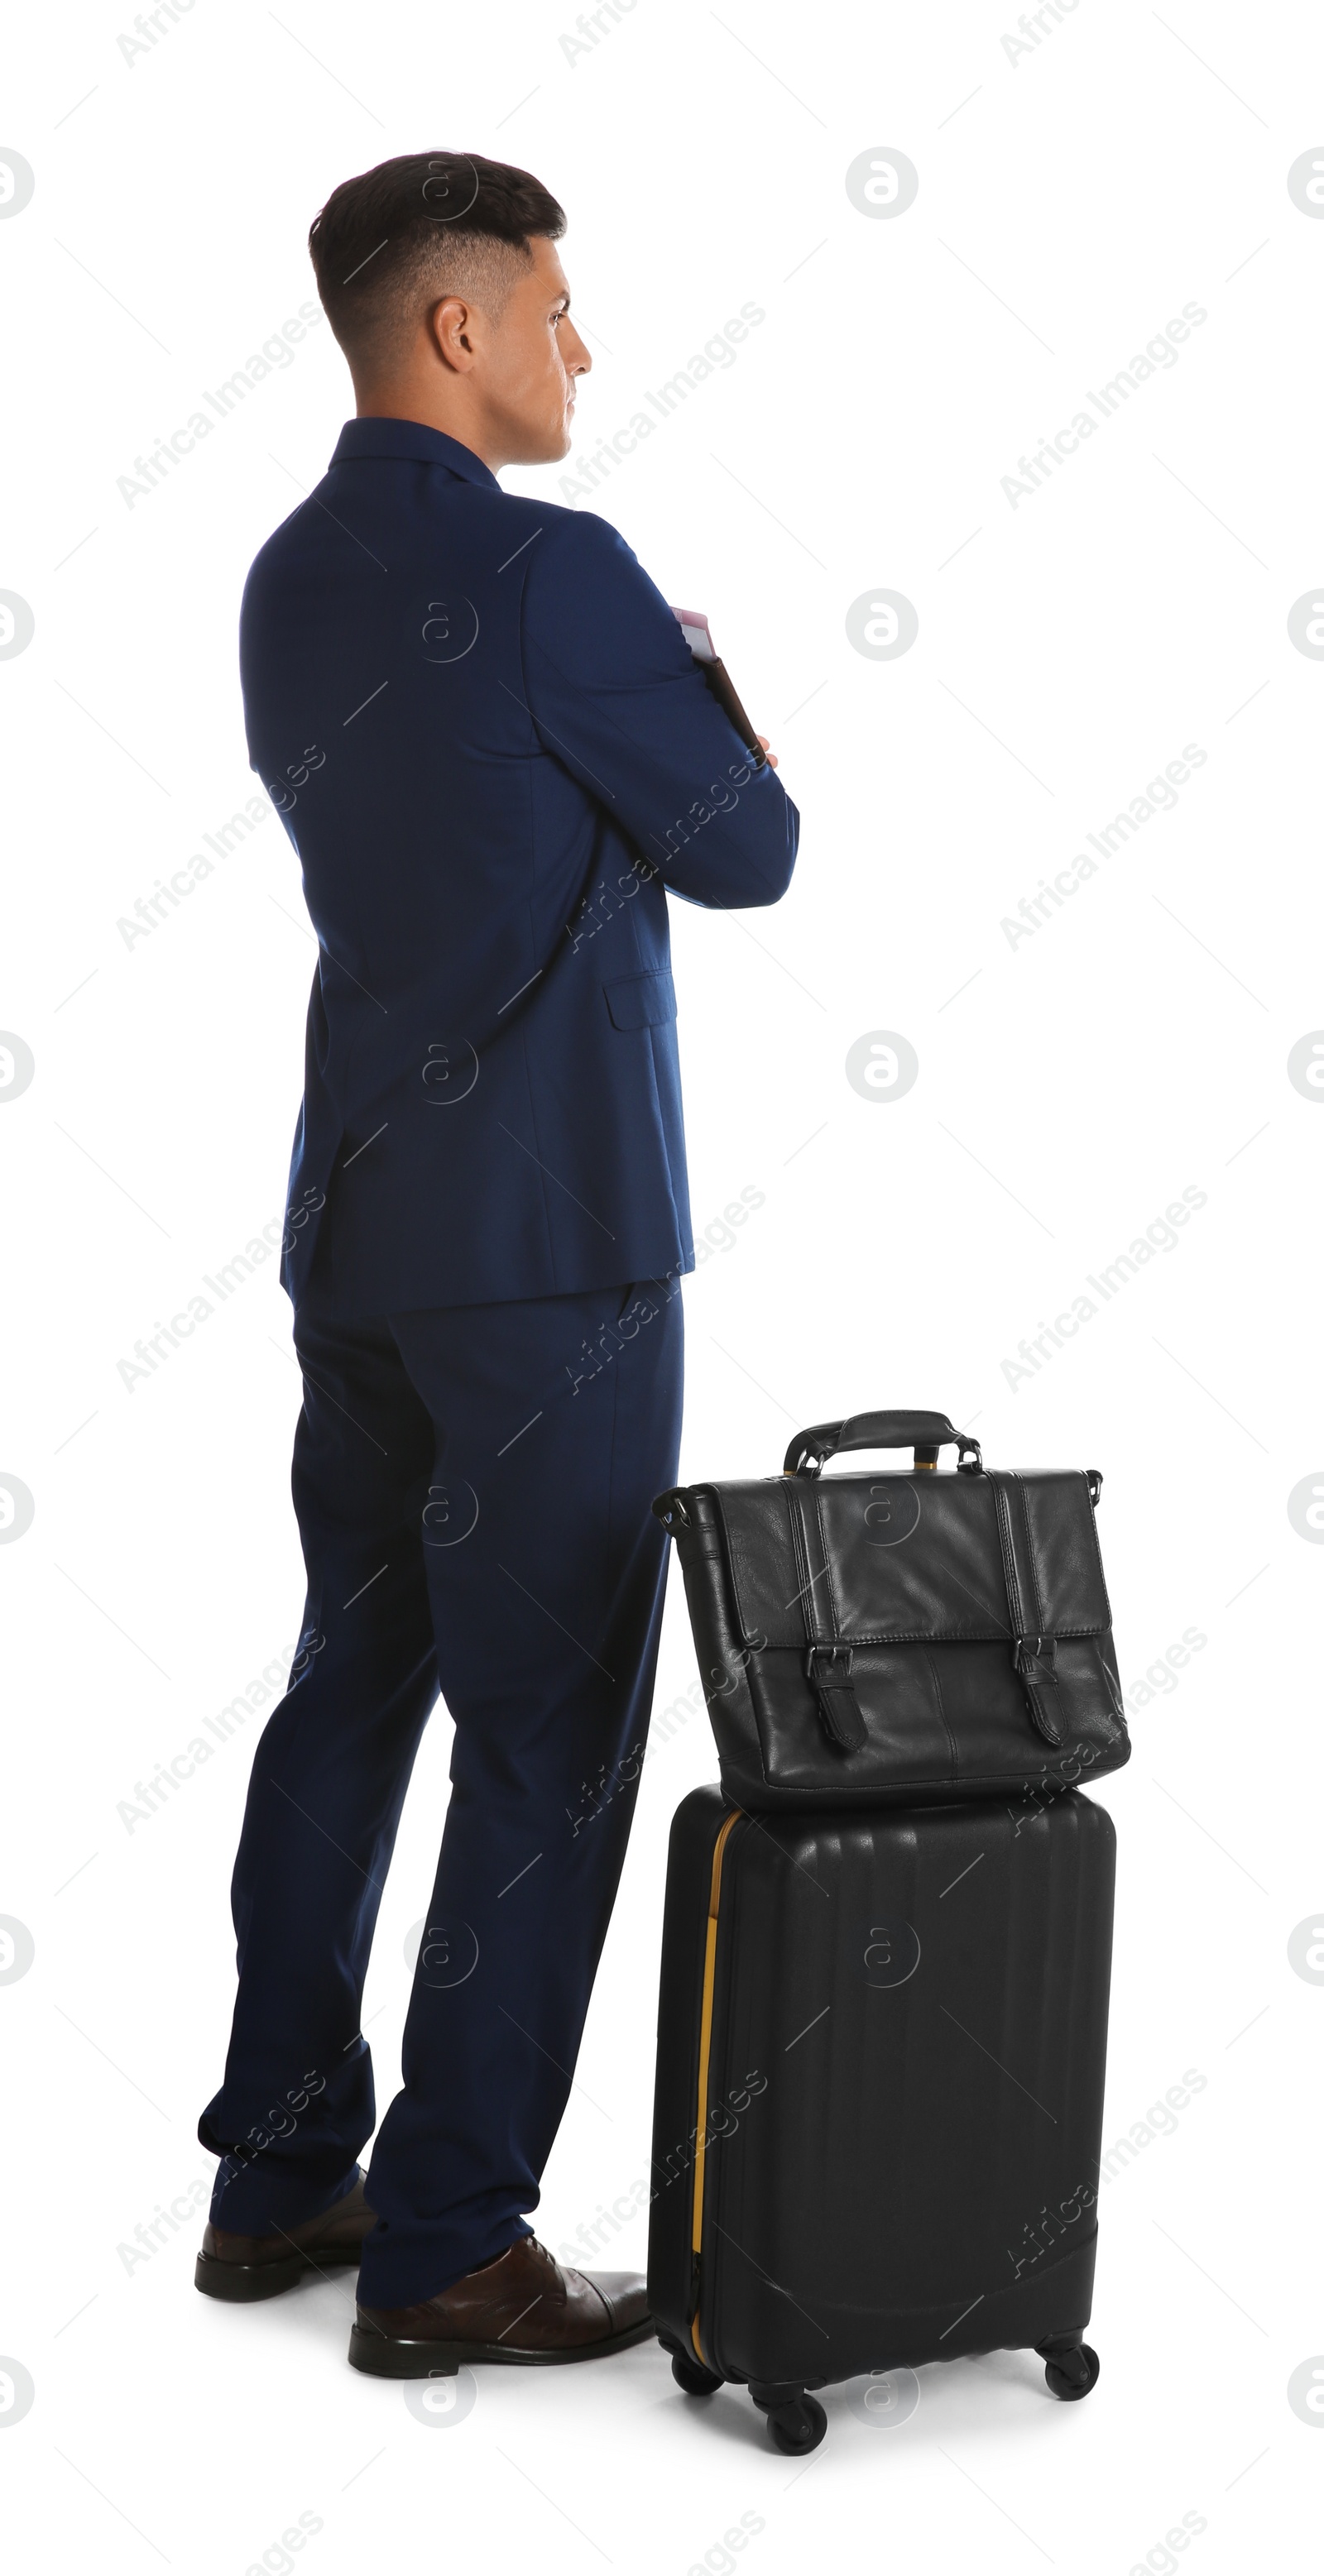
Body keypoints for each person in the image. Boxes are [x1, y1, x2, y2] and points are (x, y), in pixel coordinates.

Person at [195, 150, 799, 2378]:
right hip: (551, 1253)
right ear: (455, 328)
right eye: (555, 306)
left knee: (346, 1683)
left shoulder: (284, 580)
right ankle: (449, 2239)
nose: (579, 346)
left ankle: (278, 2175)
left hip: (354, 1233)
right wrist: (717, 708)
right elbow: (752, 856)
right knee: (543, 1741)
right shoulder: (561, 575)